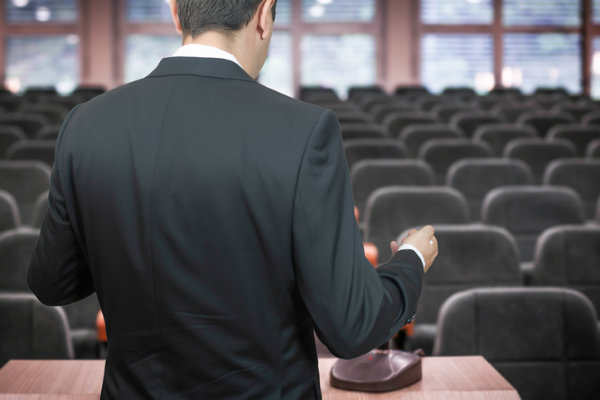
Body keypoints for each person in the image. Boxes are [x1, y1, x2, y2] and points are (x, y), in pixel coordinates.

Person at [28, 0, 438, 398]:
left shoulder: (85, 126)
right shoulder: (305, 132)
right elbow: (352, 327)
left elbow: (53, 283)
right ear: (263, 14)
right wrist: (410, 262)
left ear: (175, 11)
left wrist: (122, 245)